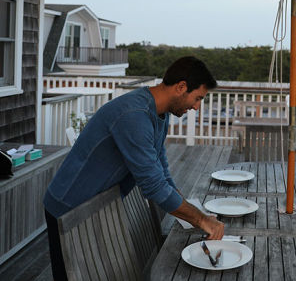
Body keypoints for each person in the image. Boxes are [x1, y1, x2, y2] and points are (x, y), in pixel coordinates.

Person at [43, 56, 224, 281]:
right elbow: (154, 187)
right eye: (197, 98)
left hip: (101, 203)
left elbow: (161, 169)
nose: (197, 107)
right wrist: (201, 219)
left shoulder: (161, 113)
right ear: (181, 87)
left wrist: (189, 210)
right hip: (68, 206)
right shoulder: (134, 116)